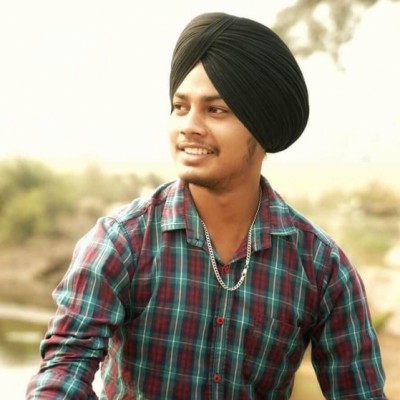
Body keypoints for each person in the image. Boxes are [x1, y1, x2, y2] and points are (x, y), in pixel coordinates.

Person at [27, 12, 387, 400]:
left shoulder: (321, 267)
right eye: (181, 107)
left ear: (262, 125)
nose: (189, 126)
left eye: (216, 110)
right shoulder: (121, 242)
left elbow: (360, 392)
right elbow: (64, 369)